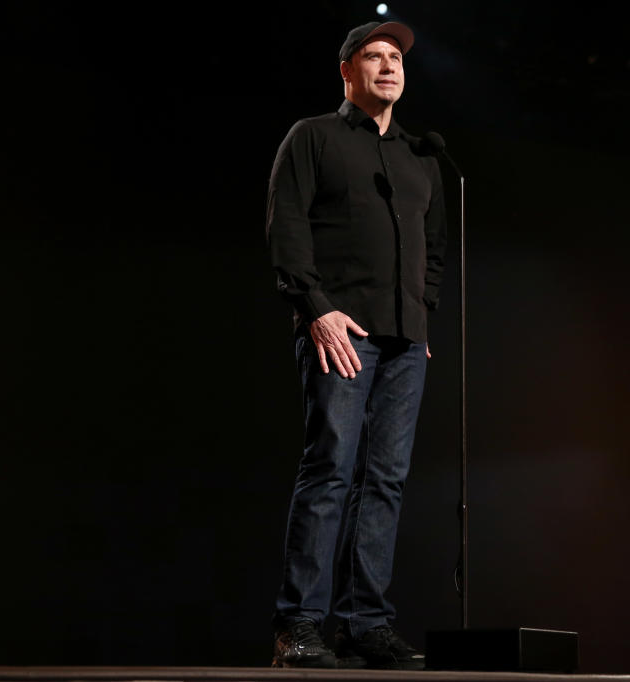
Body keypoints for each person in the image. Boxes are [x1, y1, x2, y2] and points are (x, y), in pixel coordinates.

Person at [265, 20, 447, 670]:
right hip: (343, 333)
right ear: (347, 72)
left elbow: (434, 251)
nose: (388, 65)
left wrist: (420, 317)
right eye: (373, 56)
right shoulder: (313, 137)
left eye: (395, 57)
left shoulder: (420, 154)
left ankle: (365, 624)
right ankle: (300, 625)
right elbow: (286, 228)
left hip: (404, 342)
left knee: (387, 482)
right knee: (331, 471)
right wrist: (316, 310)